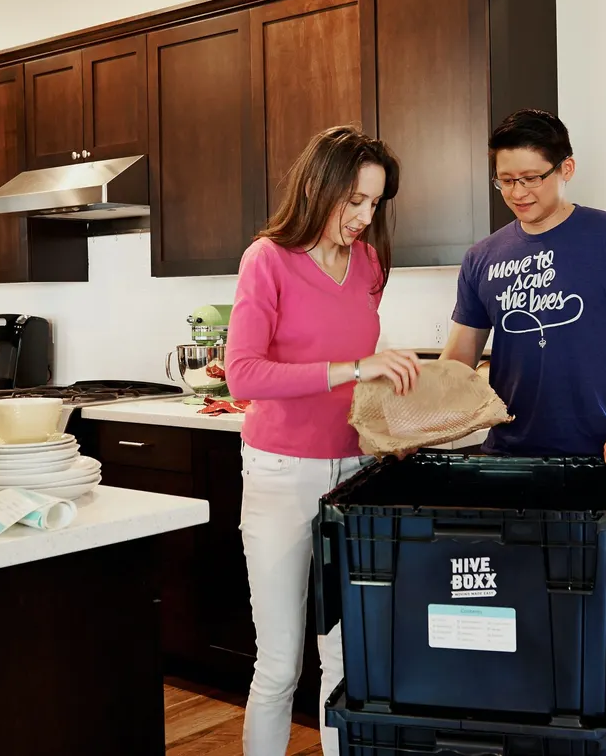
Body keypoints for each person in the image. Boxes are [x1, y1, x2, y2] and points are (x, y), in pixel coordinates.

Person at [439, 109, 606, 755]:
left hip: (595, 465)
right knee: (511, 623)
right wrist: (406, 412)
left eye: (532, 178)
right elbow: (455, 363)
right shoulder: (482, 257)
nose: (519, 193)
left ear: (566, 169)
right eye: (505, 181)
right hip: (506, 465)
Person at [225, 125, 421, 756]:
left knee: (347, 659)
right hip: (282, 474)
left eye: (374, 203)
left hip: (355, 476)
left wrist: (397, 418)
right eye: (354, 201)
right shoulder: (268, 259)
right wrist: (353, 368)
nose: (365, 217)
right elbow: (243, 373)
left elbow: (365, 384)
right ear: (318, 186)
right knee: (280, 663)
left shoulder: (369, 264)